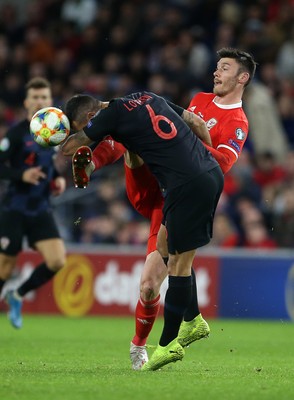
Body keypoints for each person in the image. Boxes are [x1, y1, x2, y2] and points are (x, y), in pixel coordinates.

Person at [69, 47, 257, 370]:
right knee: (130, 139)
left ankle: (141, 345)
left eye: (224, 68)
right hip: (158, 183)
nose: (216, 72)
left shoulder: (238, 122)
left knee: (149, 283)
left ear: (242, 78)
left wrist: (185, 152)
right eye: (216, 67)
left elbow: (224, 162)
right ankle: (189, 322)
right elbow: (163, 127)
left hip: (180, 190)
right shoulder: (199, 99)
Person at [62, 88, 224, 371]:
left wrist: (61, 138)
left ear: (90, 117)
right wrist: (205, 155)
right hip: (176, 188)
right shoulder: (148, 100)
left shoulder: (112, 118)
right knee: (173, 256)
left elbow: (75, 146)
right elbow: (195, 123)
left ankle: (162, 344)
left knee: (156, 280)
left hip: (178, 191)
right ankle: (191, 320)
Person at [0, 77, 67, 329]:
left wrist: (58, 179)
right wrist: (21, 175)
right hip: (14, 209)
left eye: (44, 98)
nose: (40, 101)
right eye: (35, 97)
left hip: (40, 208)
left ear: (50, 102)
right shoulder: (16, 134)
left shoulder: (54, 134)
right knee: (4, 269)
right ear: (28, 102)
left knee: (58, 260)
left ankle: (16, 295)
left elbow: (47, 166)